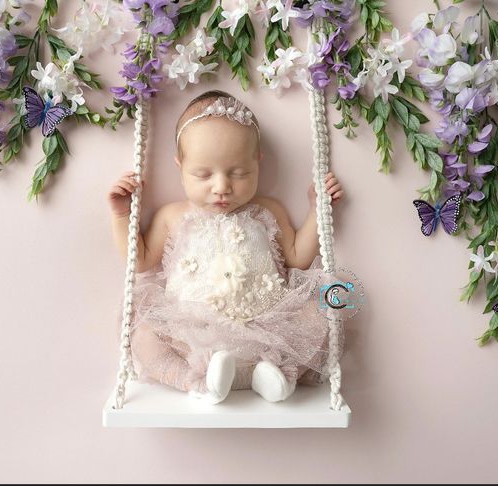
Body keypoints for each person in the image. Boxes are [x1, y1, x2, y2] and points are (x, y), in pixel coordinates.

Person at [108, 90, 361, 404]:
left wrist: (317, 209)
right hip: (192, 340)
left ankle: (275, 374)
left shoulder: (268, 211)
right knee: (144, 332)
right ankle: (196, 382)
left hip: (267, 333)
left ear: (258, 163)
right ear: (180, 166)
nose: (222, 187)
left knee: (321, 309)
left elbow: (298, 257)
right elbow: (141, 260)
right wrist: (122, 214)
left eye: (240, 173)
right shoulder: (172, 216)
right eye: (203, 174)